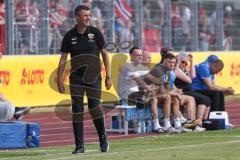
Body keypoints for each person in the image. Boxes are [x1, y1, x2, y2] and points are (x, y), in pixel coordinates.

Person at [57, 5, 112, 154]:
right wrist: (59, 79)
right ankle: (80, 146)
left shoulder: (95, 33)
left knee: (94, 109)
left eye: (89, 15)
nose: (88, 18)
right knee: (77, 111)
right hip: (76, 79)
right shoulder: (69, 36)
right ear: (77, 17)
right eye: (85, 15)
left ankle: (102, 137)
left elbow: (105, 55)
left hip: (94, 77)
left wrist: (108, 76)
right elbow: (63, 58)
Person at [117, 47, 163, 133]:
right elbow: (140, 81)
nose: (140, 57)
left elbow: (150, 77)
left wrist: (160, 83)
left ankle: (145, 122)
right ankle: (151, 123)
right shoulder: (127, 66)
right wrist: (150, 88)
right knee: (153, 97)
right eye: (137, 55)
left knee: (156, 95)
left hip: (135, 93)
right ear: (131, 55)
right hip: (126, 94)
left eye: (141, 55)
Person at [174, 52, 210, 129]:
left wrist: (191, 61)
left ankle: (201, 122)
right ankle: (197, 123)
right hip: (184, 91)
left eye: (185, 63)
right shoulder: (176, 69)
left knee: (207, 100)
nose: (184, 64)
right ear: (178, 61)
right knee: (204, 99)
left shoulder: (183, 69)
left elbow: (193, 76)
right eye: (182, 62)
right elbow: (189, 80)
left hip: (189, 91)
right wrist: (177, 63)